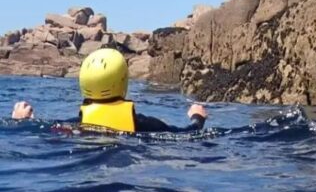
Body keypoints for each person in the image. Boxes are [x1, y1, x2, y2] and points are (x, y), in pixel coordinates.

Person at [10, 48, 208, 134]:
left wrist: (21, 123)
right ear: (123, 81)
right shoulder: (143, 124)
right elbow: (188, 135)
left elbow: (41, 132)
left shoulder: (72, 127)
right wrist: (197, 118)